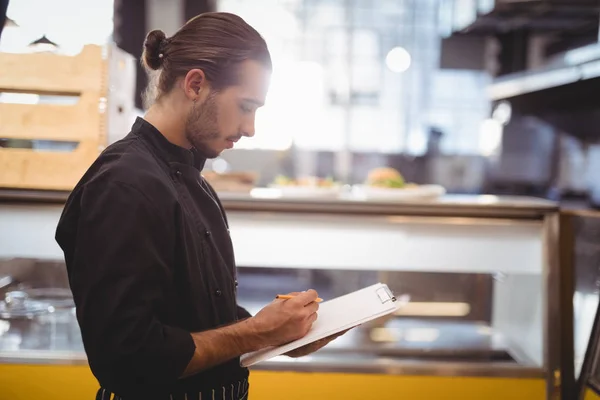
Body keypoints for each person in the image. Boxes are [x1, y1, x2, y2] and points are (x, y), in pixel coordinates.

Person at [55, 12, 343, 400]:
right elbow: (126, 357)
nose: (251, 128)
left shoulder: (191, 178)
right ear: (195, 84)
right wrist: (257, 331)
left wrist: (283, 333)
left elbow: (197, 320)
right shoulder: (123, 184)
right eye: (245, 106)